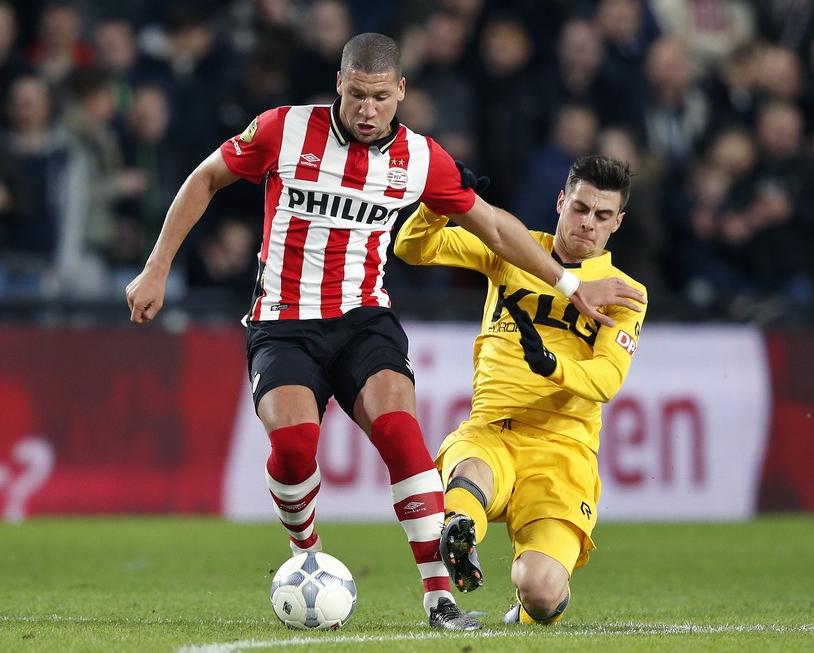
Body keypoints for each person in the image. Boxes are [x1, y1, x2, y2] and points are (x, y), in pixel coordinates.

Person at [125, 33, 645, 630]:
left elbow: (498, 229)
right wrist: (157, 267)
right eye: (355, 95)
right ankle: (307, 553)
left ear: (400, 91)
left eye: (379, 97)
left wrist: (571, 285)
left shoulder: (421, 157)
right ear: (338, 85)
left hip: (363, 320)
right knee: (293, 451)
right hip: (284, 322)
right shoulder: (283, 129)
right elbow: (205, 178)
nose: (367, 110)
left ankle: (440, 599)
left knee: (402, 436)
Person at [394, 155, 647, 625]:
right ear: (561, 202)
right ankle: (459, 531)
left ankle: (532, 605)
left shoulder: (624, 292)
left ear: (618, 222)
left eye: (602, 215)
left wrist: (550, 364)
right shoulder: (514, 248)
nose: (588, 223)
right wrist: (438, 204)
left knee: (541, 591)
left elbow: (606, 381)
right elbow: (412, 248)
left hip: (562, 449)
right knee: (470, 470)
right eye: (580, 208)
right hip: (492, 429)